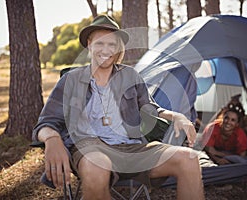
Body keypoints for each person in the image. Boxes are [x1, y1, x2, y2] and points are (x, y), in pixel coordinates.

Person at [32, 15, 204, 200]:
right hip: (90, 146)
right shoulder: (71, 80)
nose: (105, 50)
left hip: (131, 148)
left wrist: (176, 116)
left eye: (112, 44)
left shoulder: (130, 76)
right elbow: (47, 122)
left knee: (190, 160)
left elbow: (150, 107)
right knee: (96, 167)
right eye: (99, 43)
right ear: (89, 45)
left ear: (118, 48)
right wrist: (52, 139)